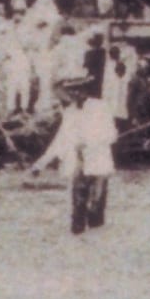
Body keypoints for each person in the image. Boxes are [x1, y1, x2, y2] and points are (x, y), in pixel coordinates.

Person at [28, 44, 115, 234]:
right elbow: (60, 141)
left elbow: (111, 134)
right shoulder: (70, 113)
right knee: (77, 206)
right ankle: (78, 238)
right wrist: (40, 164)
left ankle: (98, 238)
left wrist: (90, 143)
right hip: (78, 163)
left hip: (98, 161)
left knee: (96, 207)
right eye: (72, 90)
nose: (75, 94)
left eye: (78, 89)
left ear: (86, 89)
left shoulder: (101, 108)